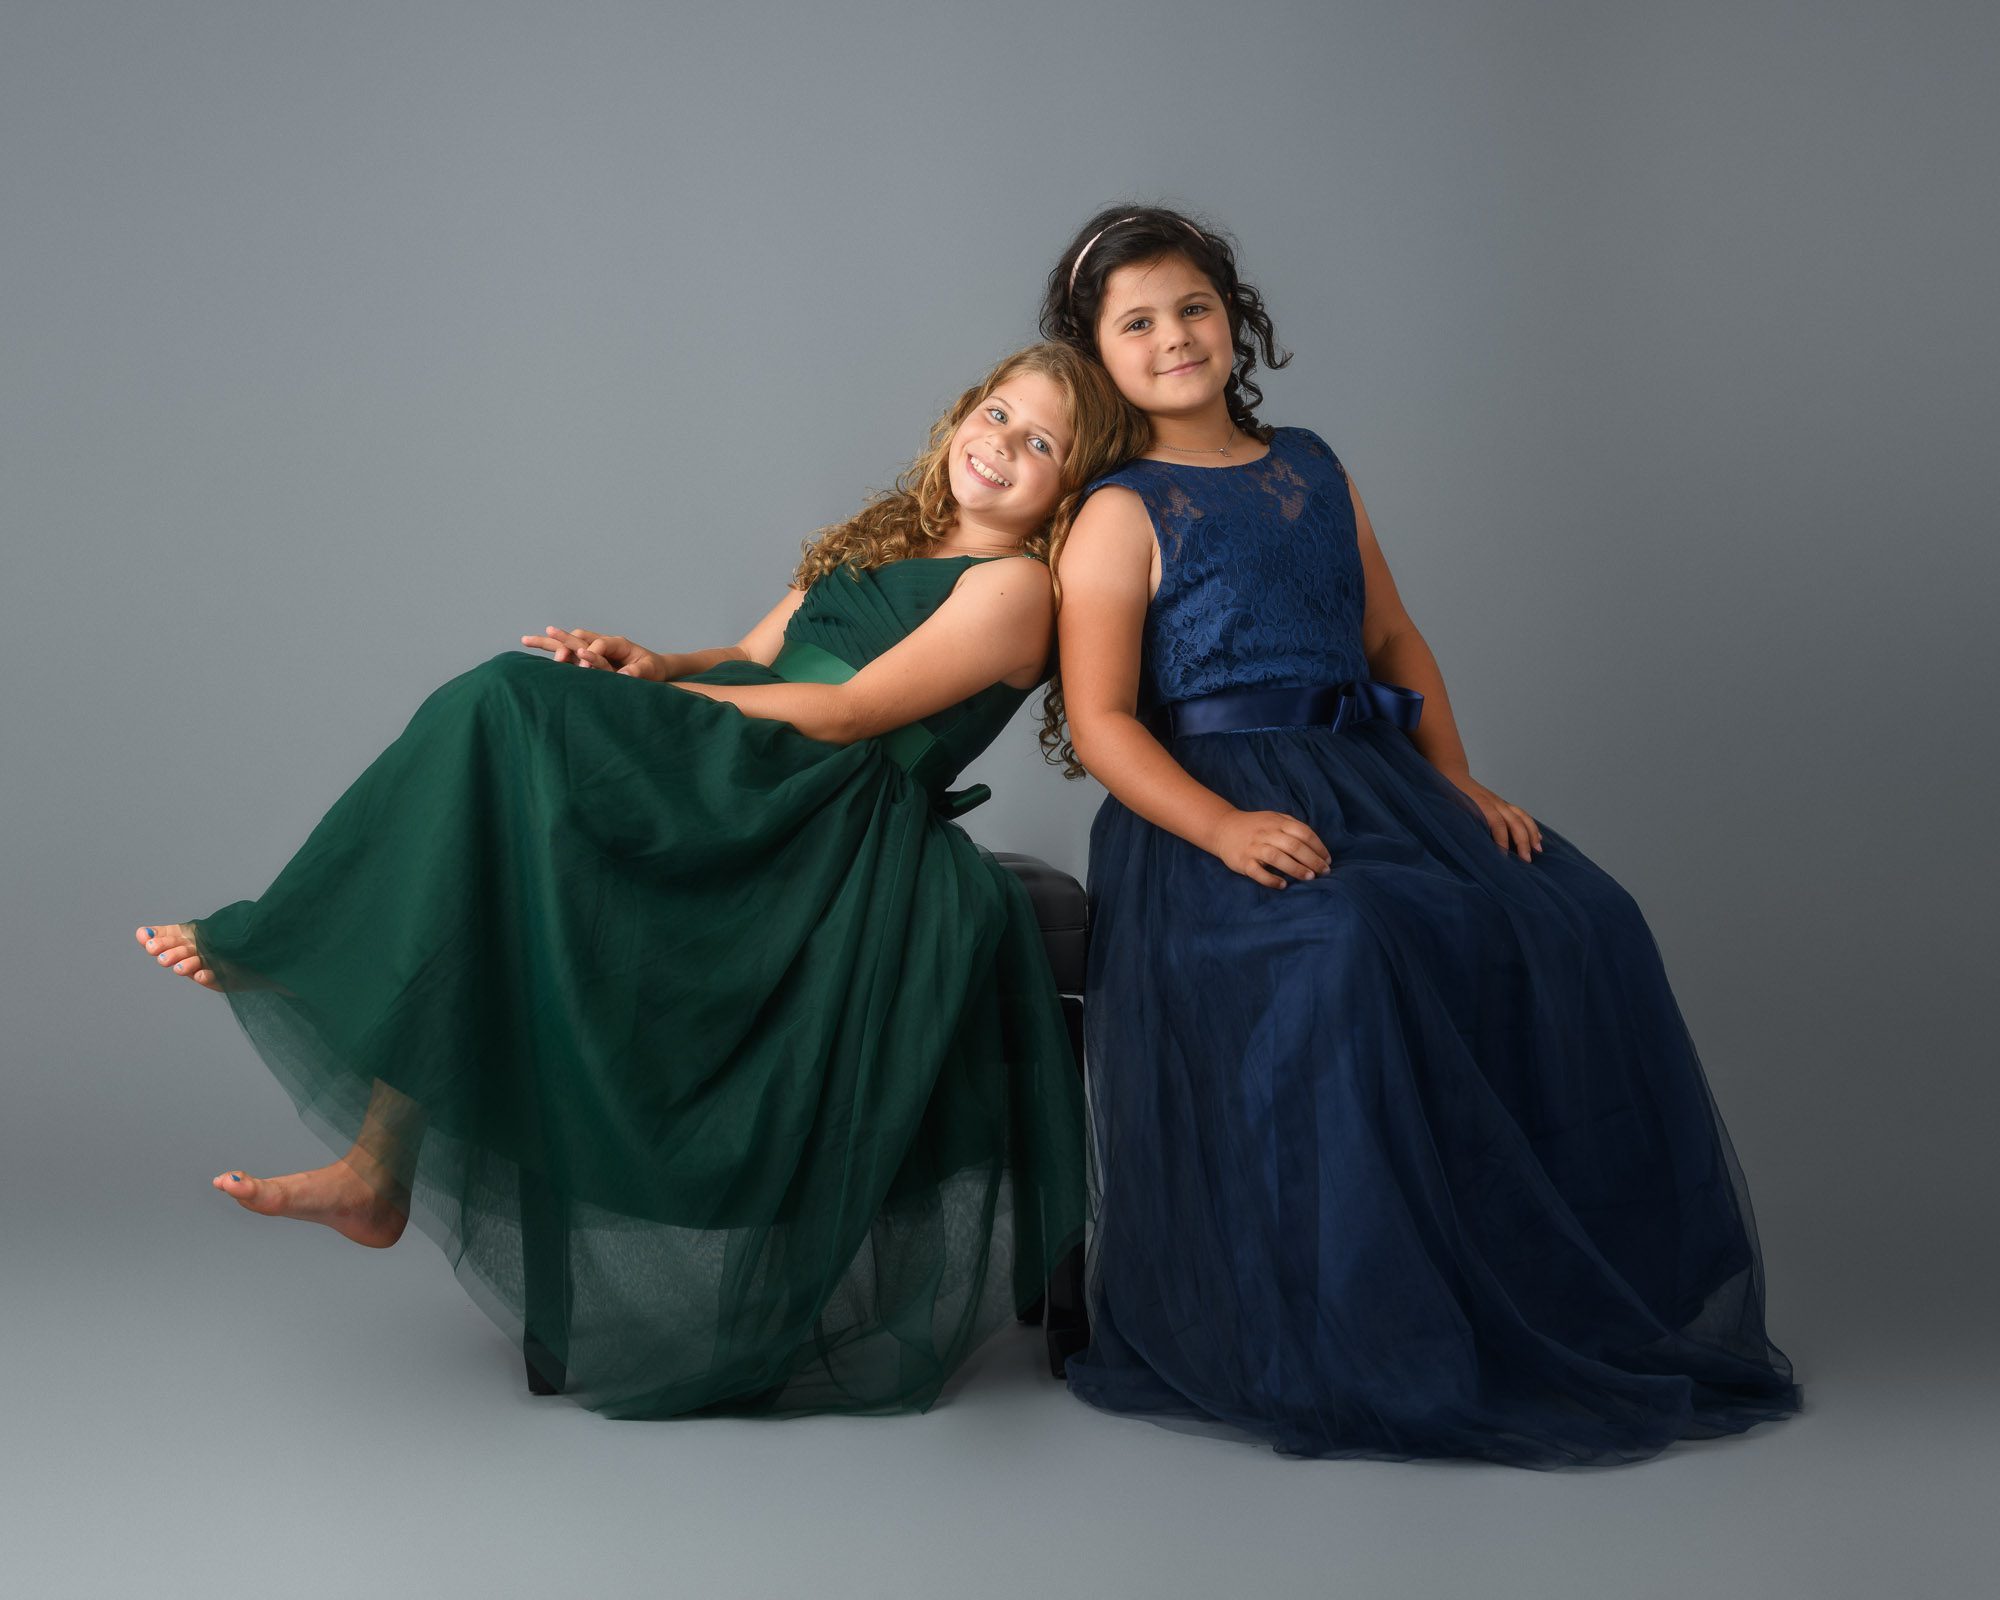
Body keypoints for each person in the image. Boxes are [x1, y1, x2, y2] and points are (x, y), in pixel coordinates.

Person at [134, 341, 1150, 1419]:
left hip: (818, 809)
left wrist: (673, 714)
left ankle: (286, 941)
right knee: (504, 798)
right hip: (749, 763)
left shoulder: (1015, 589)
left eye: (1038, 443)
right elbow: (757, 660)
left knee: (499, 703)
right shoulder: (883, 535)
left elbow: (851, 715)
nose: (1000, 446)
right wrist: (657, 668)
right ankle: (377, 1167)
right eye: (994, 415)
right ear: (959, 416)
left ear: (1066, 490)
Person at [1040, 206, 1801, 1466]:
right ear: (1098, 355)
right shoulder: (1123, 509)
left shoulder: (1313, 467)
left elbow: (1391, 643)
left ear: (1233, 318)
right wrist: (1224, 828)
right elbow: (1104, 721)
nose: (1173, 338)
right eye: (1137, 323)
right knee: (1348, 939)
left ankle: (1553, 1290)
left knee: (1575, 915)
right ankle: (1364, 1325)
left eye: (1191, 308)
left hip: (1371, 778)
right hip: (1207, 810)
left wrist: (1459, 785)